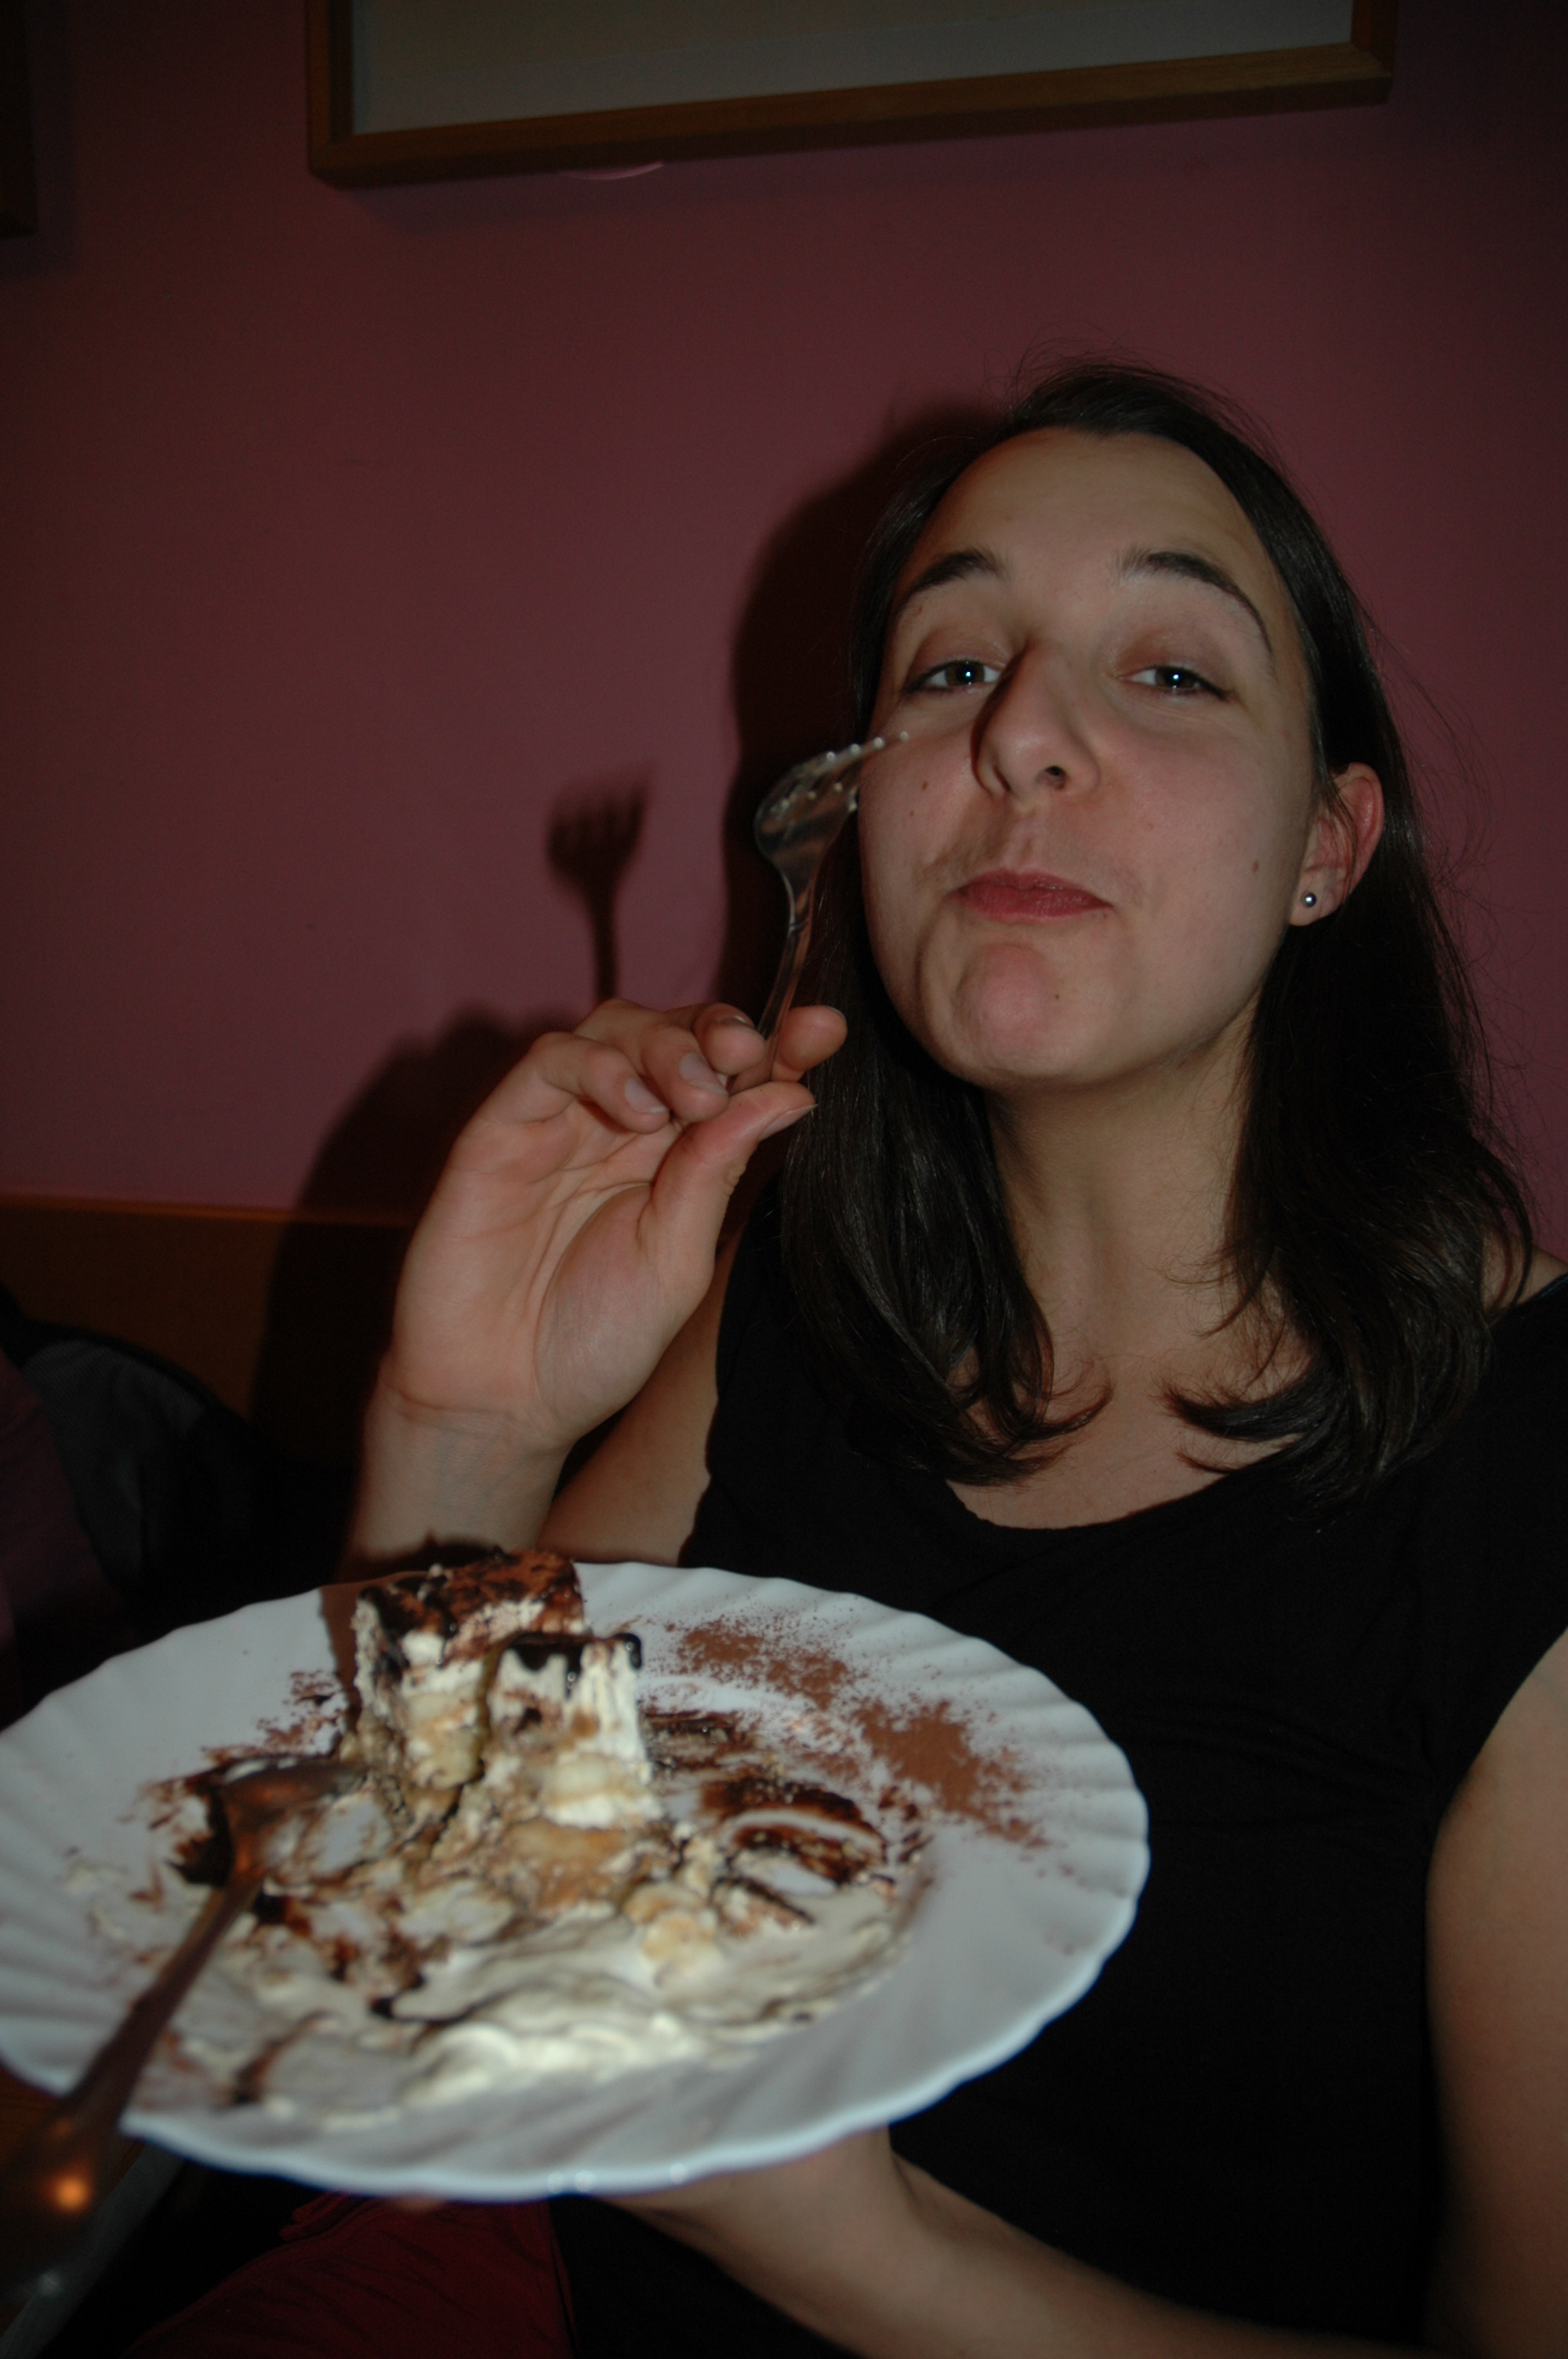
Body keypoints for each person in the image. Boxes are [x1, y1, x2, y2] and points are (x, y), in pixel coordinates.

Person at [235, 365, 1568, 2354]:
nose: (1018, 731)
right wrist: (470, 1427)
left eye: (1172, 671)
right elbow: (447, 1890)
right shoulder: (793, 1302)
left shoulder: (1526, 1467)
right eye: (949, 670)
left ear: (1328, 841)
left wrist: (864, 2256)